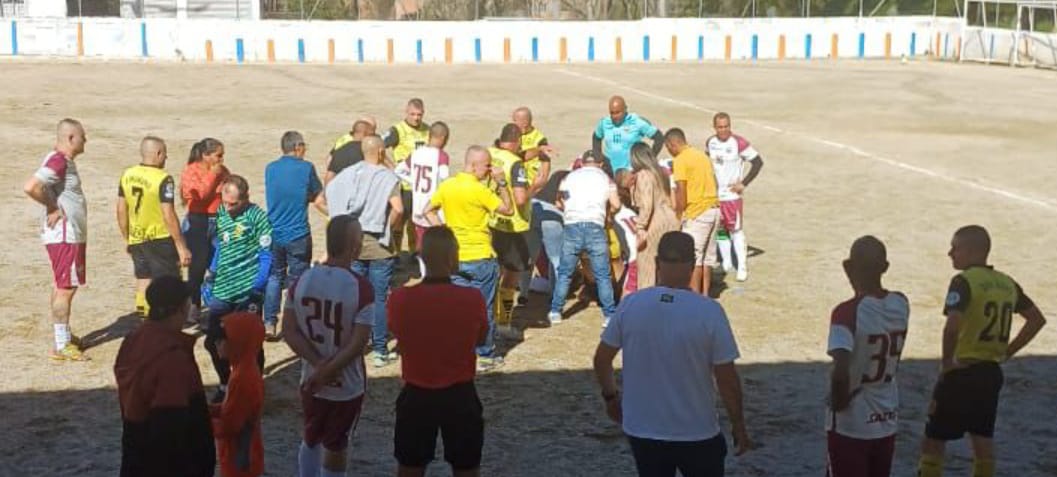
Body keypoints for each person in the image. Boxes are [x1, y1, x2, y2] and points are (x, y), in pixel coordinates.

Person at [593, 232, 751, 477]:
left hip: (643, 428)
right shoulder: (709, 312)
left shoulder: (631, 305)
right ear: (692, 263)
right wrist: (738, 424)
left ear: (657, 263)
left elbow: (602, 359)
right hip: (696, 429)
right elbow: (726, 378)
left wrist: (610, 397)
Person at [917, 225, 1047, 477]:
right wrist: (1008, 351)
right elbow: (1036, 319)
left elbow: (952, 326)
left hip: (961, 370)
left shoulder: (963, 282)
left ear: (971, 251)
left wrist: (946, 362)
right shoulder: (1007, 283)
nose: (949, 253)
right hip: (990, 373)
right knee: (982, 438)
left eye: (955, 248)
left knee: (934, 439)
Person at [388, 226, 489, 477]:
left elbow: (398, 336)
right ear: (452, 257)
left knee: (410, 465)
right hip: (460, 394)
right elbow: (481, 338)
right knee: (466, 466)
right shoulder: (473, 298)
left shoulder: (400, 299)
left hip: (416, 393)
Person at [282, 215, 375, 477]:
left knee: (311, 435)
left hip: (310, 377)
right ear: (354, 246)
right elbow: (358, 343)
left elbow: (289, 330)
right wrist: (329, 368)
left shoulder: (302, 280)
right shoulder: (362, 288)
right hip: (346, 383)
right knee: (336, 444)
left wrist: (316, 364)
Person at [424, 146, 514, 370]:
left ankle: (458, 350)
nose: (489, 170)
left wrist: (445, 233)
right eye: (487, 166)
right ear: (474, 165)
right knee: (483, 308)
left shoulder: (448, 186)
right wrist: (502, 183)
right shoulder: (479, 191)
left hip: (455, 257)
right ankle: (484, 354)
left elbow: (428, 210)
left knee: (457, 307)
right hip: (481, 256)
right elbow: (508, 209)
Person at [115, 276, 215, 477]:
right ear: (180, 308)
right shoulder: (171, 357)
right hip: (168, 462)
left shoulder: (133, 339)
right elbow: (170, 421)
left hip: (135, 445)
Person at [826, 236, 909, 477]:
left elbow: (841, 369)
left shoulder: (845, 312)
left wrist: (839, 402)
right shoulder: (901, 303)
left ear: (847, 267)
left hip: (853, 420)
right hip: (886, 413)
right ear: (885, 268)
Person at [326, 134, 403, 368]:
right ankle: (380, 349)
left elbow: (326, 196)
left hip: (353, 240)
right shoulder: (388, 177)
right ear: (381, 152)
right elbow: (398, 209)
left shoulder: (348, 175)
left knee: (353, 295)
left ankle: (351, 345)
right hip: (379, 243)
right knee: (378, 297)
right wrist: (388, 227)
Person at [22, 118, 90, 361]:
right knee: (66, 289)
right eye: (83, 136)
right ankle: (61, 344)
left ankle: (64, 335)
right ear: (71, 138)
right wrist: (52, 207)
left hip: (67, 235)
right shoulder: (59, 160)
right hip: (65, 235)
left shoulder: (60, 161)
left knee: (61, 285)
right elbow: (31, 186)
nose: (86, 140)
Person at [204, 175, 273, 402]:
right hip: (223, 288)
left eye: (234, 203)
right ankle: (225, 383)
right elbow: (221, 247)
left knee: (250, 345)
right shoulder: (222, 213)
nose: (229, 207)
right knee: (212, 341)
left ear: (246, 198)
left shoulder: (258, 218)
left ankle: (254, 386)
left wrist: (257, 289)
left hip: (247, 289)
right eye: (226, 201)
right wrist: (211, 275)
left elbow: (266, 257)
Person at [117, 136, 191, 316]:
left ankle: (144, 317)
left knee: (143, 278)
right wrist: (181, 247)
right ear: (158, 153)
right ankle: (165, 318)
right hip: (159, 239)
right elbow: (168, 214)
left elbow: (120, 209)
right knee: (168, 283)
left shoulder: (128, 174)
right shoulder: (163, 179)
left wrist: (127, 237)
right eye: (164, 154)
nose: (166, 158)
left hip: (137, 236)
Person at [263, 131, 325, 339]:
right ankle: (297, 322)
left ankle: (270, 322)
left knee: (274, 277)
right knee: (298, 280)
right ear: (298, 147)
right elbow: (317, 195)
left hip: (274, 231)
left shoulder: (270, 168)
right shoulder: (306, 168)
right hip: (298, 232)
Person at [548, 151, 621, 327]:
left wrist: (571, 210)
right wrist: (608, 214)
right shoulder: (606, 179)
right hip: (595, 226)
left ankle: (556, 310)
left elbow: (559, 202)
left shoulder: (569, 177)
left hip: (572, 225)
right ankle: (609, 314)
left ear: (582, 163)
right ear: (601, 164)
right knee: (602, 274)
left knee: (565, 272)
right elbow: (617, 204)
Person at [705, 112, 764, 282]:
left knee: (736, 230)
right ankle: (726, 263)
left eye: (726, 126)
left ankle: (742, 266)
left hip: (731, 197)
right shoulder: (711, 142)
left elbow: (758, 162)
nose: (724, 130)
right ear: (715, 127)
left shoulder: (739, 143)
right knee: (721, 230)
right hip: (715, 196)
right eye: (720, 127)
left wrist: (743, 183)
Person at [487, 123, 534, 336]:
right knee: (511, 276)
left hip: (491, 221)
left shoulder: (490, 153)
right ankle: (502, 322)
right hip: (513, 226)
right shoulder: (516, 164)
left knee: (490, 273)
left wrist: (539, 151)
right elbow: (521, 198)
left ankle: (486, 316)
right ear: (518, 141)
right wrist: (536, 186)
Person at [664, 128, 720, 296]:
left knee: (693, 258)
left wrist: (679, 215)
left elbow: (682, 191)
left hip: (697, 212)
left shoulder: (680, 160)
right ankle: (705, 294)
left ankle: (693, 296)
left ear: (672, 144)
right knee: (707, 259)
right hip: (714, 209)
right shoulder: (702, 156)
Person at [210, 312, 265, 477]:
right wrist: (210, 409)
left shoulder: (242, 378)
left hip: (240, 459)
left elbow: (229, 425)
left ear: (237, 342)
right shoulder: (244, 368)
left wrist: (203, 420)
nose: (216, 343)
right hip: (245, 453)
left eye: (221, 340)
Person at [181, 138, 229, 323]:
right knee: (197, 268)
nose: (221, 159)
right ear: (206, 155)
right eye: (218, 155)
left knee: (219, 264)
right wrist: (213, 176)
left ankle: (216, 303)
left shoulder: (222, 171)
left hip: (218, 220)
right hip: (198, 222)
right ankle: (194, 304)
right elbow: (199, 194)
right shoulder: (191, 170)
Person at [513, 106, 553, 306]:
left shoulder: (540, 139)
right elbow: (516, 156)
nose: (516, 125)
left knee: (530, 245)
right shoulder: (511, 138)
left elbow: (544, 172)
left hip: (531, 197)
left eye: (519, 122)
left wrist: (537, 187)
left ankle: (524, 290)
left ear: (528, 122)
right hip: (514, 197)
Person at [628, 143, 680, 289]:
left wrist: (640, 226)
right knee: (668, 265)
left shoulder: (644, 174)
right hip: (669, 218)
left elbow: (646, 204)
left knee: (646, 266)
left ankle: (646, 302)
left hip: (654, 220)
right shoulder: (661, 172)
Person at [394, 121, 451, 252]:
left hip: (418, 206)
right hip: (434, 209)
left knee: (422, 246)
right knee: (438, 247)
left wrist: (414, 181)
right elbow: (444, 178)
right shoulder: (441, 156)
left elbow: (399, 170)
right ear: (443, 138)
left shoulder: (416, 153)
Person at [384, 98, 429, 255]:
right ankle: (395, 253)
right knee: (398, 221)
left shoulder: (427, 130)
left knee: (416, 223)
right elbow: (379, 148)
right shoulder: (397, 130)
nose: (416, 118)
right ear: (406, 112)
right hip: (403, 186)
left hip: (420, 186)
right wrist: (393, 168)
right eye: (413, 114)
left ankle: (414, 253)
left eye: (419, 114)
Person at [592, 96, 663, 176]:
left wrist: (649, 159)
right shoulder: (604, 123)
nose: (614, 116)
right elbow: (596, 137)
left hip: (631, 172)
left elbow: (659, 137)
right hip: (609, 172)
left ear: (625, 109)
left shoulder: (636, 122)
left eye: (618, 112)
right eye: (612, 113)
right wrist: (598, 157)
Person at [530, 169, 569, 293]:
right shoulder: (567, 180)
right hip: (551, 217)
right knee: (556, 258)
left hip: (532, 211)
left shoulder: (536, 198)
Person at [325, 118, 376, 184]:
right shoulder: (368, 150)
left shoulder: (340, 147)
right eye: (372, 134)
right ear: (365, 133)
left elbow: (329, 163)